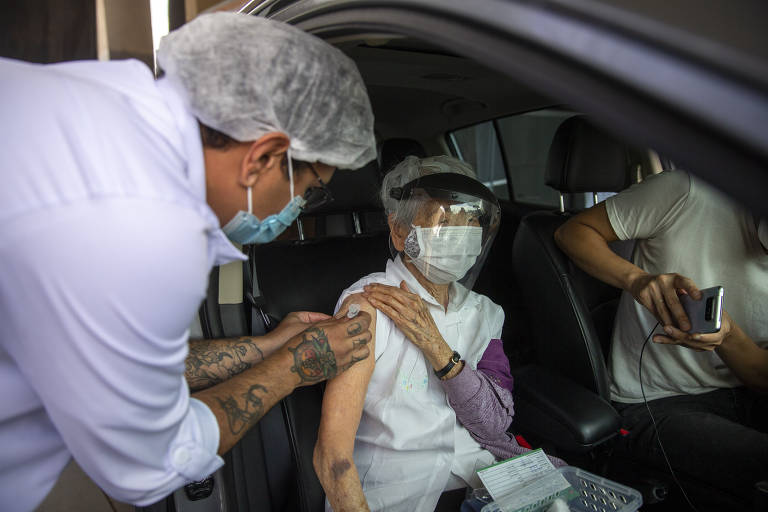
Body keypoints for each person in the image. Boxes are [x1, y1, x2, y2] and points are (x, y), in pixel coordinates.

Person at [0, 13, 377, 511]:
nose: (293, 212)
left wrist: (268, 345)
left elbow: (130, 361)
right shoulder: (146, 231)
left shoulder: (104, 99)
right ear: (263, 156)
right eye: (307, 189)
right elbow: (151, 462)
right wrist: (293, 366)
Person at [313, 156, 564, 512]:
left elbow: (494, 425)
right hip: (397, 493)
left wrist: (435, 345)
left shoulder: (486, 312)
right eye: (444, 217)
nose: (461, 229)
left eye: (470, 218)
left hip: (481, 480)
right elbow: (332, 454)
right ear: (400, 232)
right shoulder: (368, 305)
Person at [554, 169, 768, 509]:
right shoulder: (687, 191)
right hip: (655, 402)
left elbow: (761, 376)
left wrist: (727, 337)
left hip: (743, 395)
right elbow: (572, 232)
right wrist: (638, 280)